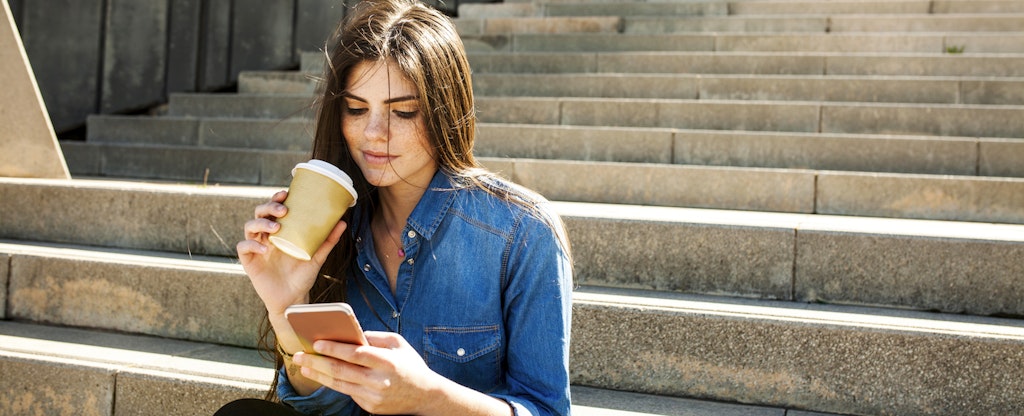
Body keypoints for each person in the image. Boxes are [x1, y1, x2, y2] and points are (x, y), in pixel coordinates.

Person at [220, 0, 573, 414]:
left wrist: (429, 396)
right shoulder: (330, 226)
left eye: (403, 112)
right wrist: (286, 306)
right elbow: (322, 406)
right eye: (355, 109)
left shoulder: (521, 233)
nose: (373, 133)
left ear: (446, 111)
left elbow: (547, 410)